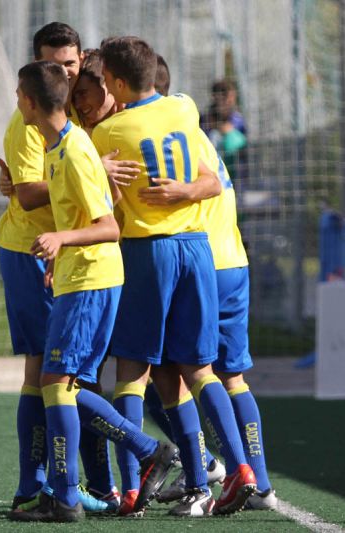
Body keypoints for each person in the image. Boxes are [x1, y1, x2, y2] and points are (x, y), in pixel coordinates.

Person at [92, 36, 257, 516]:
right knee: (191, 371)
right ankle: (237, 471)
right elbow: (207, 175)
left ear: (118, 83)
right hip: (196, 250)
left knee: (130, 371)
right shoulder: (184, 109)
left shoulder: (109, 134)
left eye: (105, 83)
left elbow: (111, 208)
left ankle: (129, 487)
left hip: (148, 253)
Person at [7, 60, 178, 523]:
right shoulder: (60, 148)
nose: (16, 102)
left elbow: (106, 228)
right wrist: (60, 257)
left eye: (18, 95)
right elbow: (90, 213)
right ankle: (129, 461)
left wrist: (61, 241)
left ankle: (75, 491)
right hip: (78, 277)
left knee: (55, 384)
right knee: (65, 385)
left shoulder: (76, 150)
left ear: (29, 100)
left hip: (92, 280)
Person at [0, 23, 122, 514]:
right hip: (34, 254)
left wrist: (90, 173)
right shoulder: (32, 127)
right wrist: (93, 172)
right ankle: (40, 485)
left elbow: (97, 210)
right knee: (49, 375)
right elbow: (28, 195)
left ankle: (104, 478)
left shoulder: (78, 120)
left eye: (70, 65)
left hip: (77, 260)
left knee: (65, 378)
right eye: (55, 66)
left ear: (81, 61)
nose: (65, 74)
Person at [144, 59, 275, 512]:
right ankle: (257, 480)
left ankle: (212, 469)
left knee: (179, 372)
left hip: (201, 266)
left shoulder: (163, 139)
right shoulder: (193, 132)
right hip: (233, 260)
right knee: (231, 376)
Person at [201, 79, 247, 181]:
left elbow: (239, 139)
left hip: (234, 169)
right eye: (230, 97)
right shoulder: (205, 118)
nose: (232, 101)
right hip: (212, 168)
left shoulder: (237, 118)